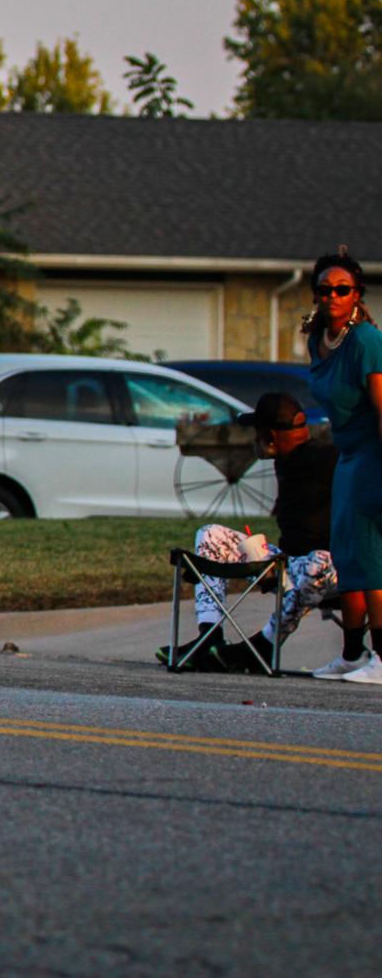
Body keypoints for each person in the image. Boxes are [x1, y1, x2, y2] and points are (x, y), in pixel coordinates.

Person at [159, 392, 339, 672]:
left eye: (257, 432)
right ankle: (209, 636)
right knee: (210, 534)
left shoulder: (325, 458)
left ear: (271, 436)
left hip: (332, 568)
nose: (254, 440)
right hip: (288, 562)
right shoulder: (285, 460)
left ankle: (262, 646)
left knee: (319, 559)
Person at [305, 250, 382, 683]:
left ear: (357, 295)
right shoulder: (317, 339)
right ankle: (352, 654)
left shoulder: (367, 342)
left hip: (373, 454)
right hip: (347, 455)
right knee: (349, 557)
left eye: (342, 289)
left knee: (372, 560)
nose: (332, 296)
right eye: (325, 289)